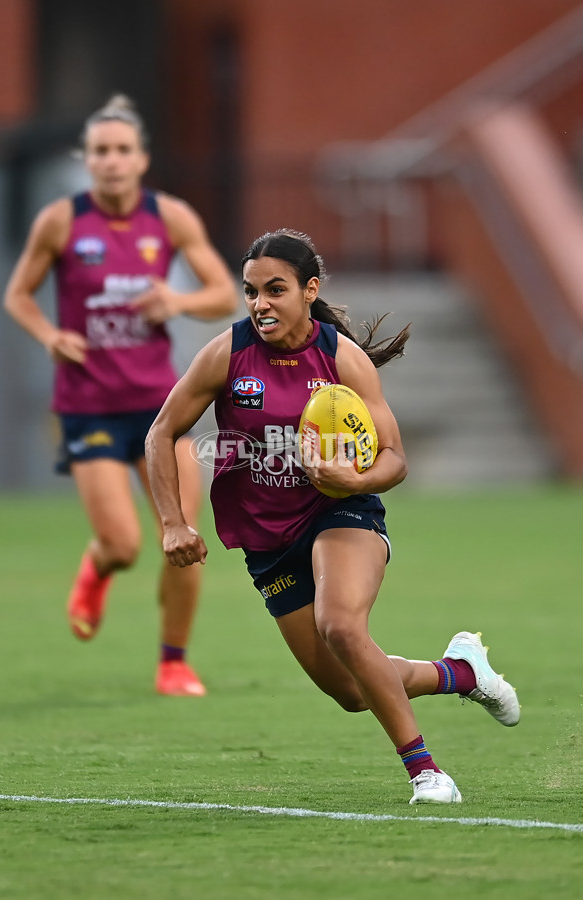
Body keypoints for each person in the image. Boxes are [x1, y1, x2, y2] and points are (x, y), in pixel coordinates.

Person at [144, 228, 520, 803]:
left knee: (342, 626)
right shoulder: (227, 352)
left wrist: (354, 480)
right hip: (267, 538)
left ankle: (426, 772)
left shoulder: (340, 358)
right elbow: (162, 433)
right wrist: (173, 522)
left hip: (341, 511)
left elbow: (394, 459)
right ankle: (462, 673)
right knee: (350, 690)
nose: (260, 303)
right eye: (251, 292)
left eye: (275, 290)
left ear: (308, 289)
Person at [3, 94, 238, 697]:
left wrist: (177, 301)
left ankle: (173, 662)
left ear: (142, 159)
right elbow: (18, 296)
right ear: (88, 160)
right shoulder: (60, 221)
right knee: (125, 543)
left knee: (184, 534)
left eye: (122, 150)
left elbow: (222, 294)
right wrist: (50, 334)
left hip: (162, 409)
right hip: (88, 406)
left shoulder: (172, 218)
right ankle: (98, 564)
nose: (111, 161)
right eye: (100, 151)